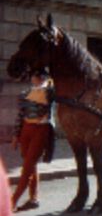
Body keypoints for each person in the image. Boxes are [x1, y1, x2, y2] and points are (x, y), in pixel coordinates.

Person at [11, 70, 55, 212]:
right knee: (30, 165)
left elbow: (55, 91)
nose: (34, 78)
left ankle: (13, 200)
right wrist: (16, 136)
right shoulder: (25, 93)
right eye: (34, 76)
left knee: (28, 166)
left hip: (40, 130)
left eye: (39, 76)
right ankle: (33, 199)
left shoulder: (49, 92)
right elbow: (20, 115)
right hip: (26, 130)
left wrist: (49, 81)